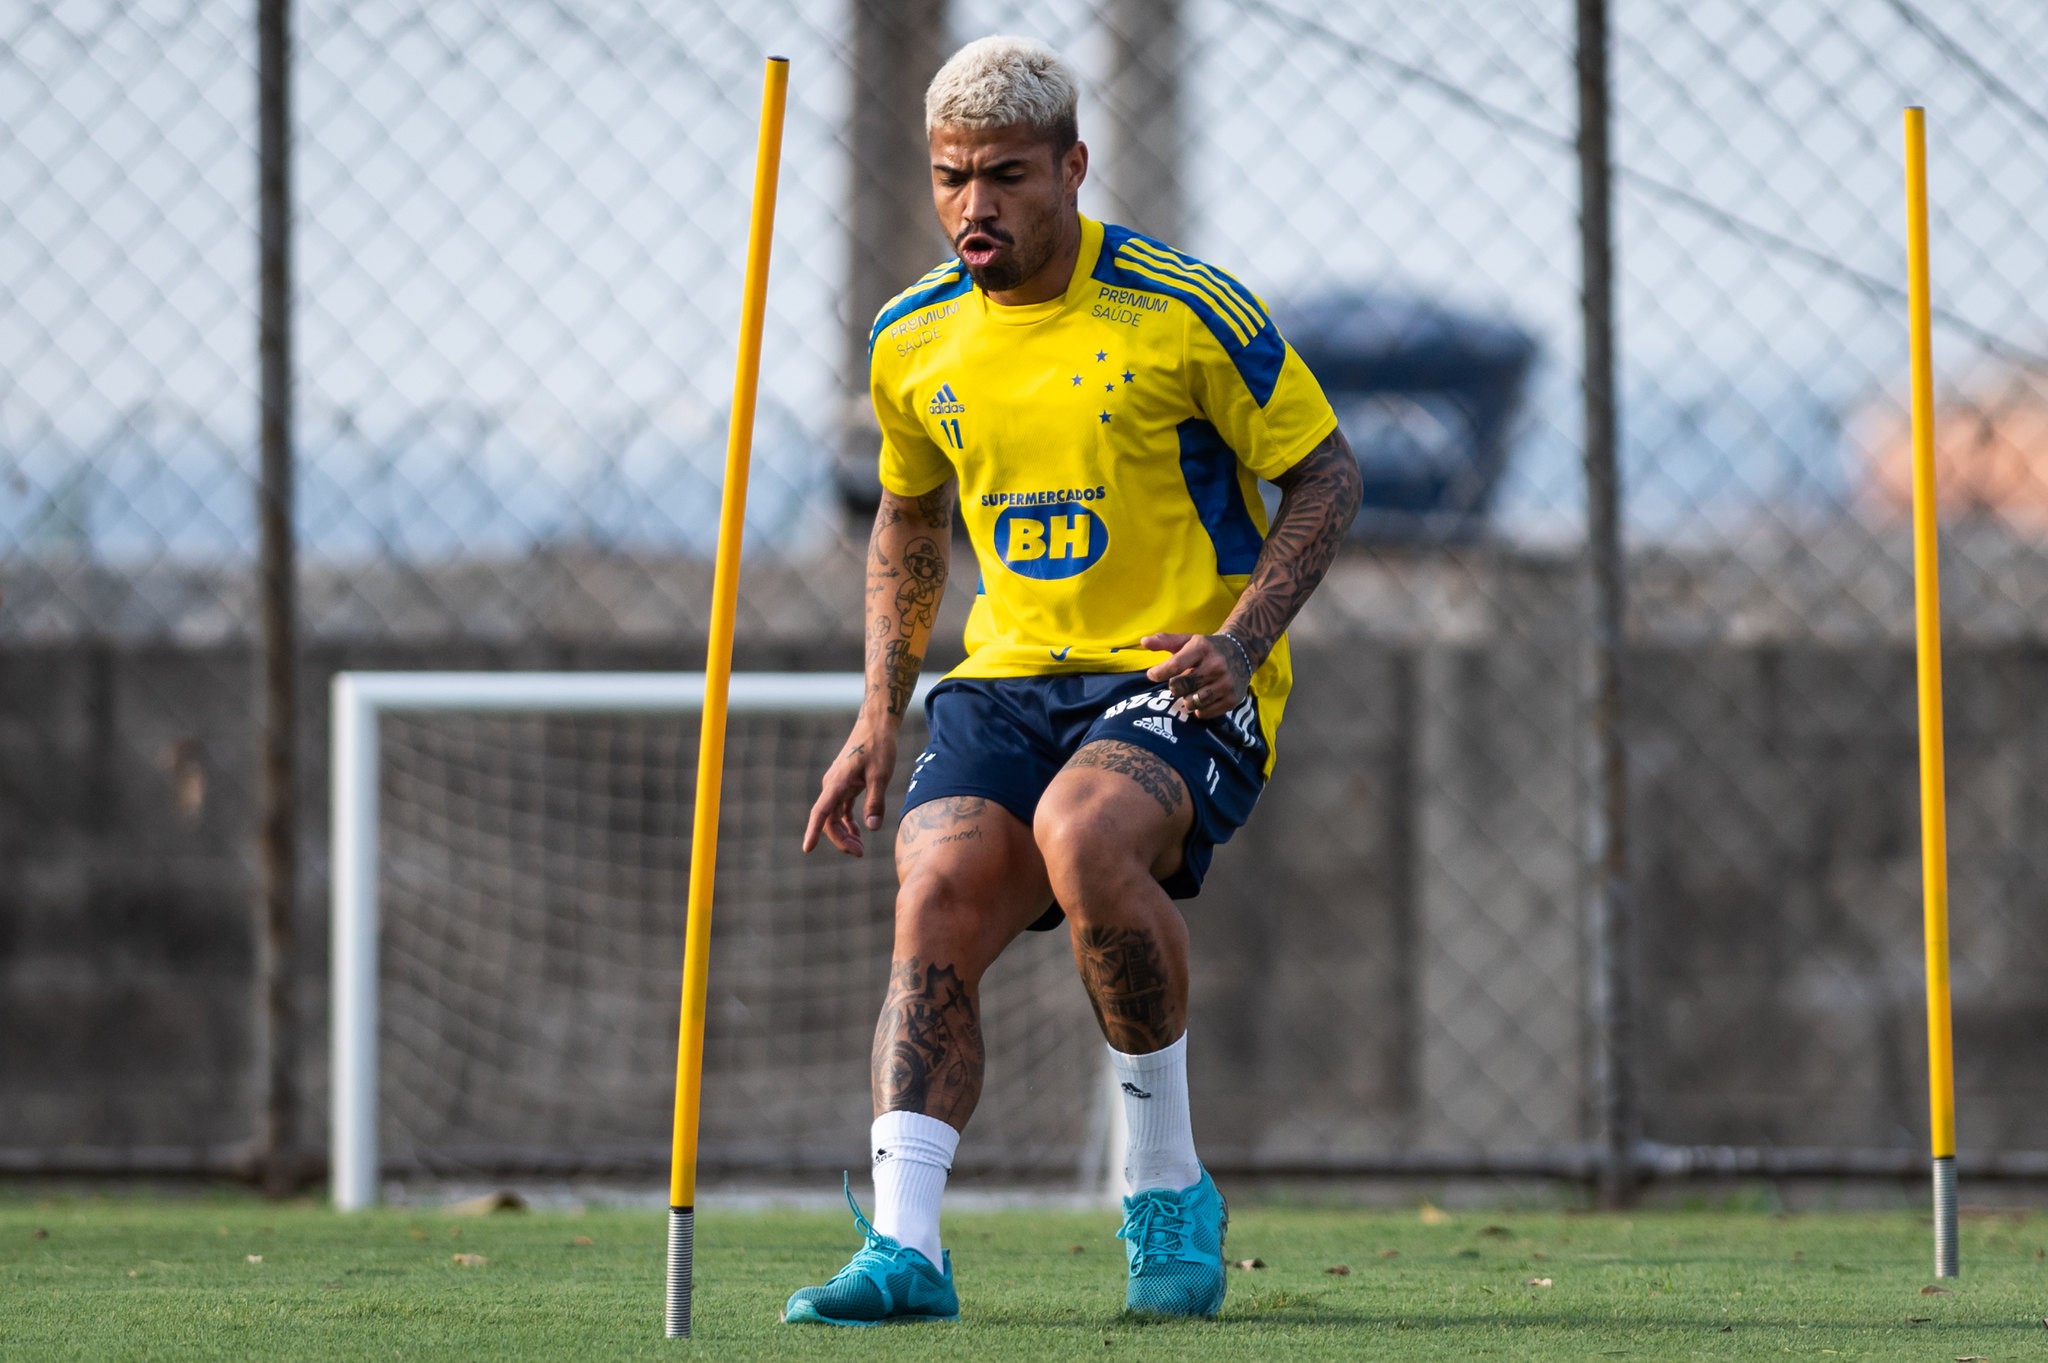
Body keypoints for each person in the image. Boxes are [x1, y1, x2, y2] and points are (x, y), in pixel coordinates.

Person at [786, 33, 1362, 1326]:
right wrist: (881, 711)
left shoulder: (1185, 308)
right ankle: (908, 1252)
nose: (973, 206)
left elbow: (1326, 473)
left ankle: (1165, 1189)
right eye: (949, 179)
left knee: (1084, 833)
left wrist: (1247, 640)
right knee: (933, 885)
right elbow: (910, 516)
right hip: (1007, 677)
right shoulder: (910, 338)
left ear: (1073, 165)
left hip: (1175, 671)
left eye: (1004, 175)